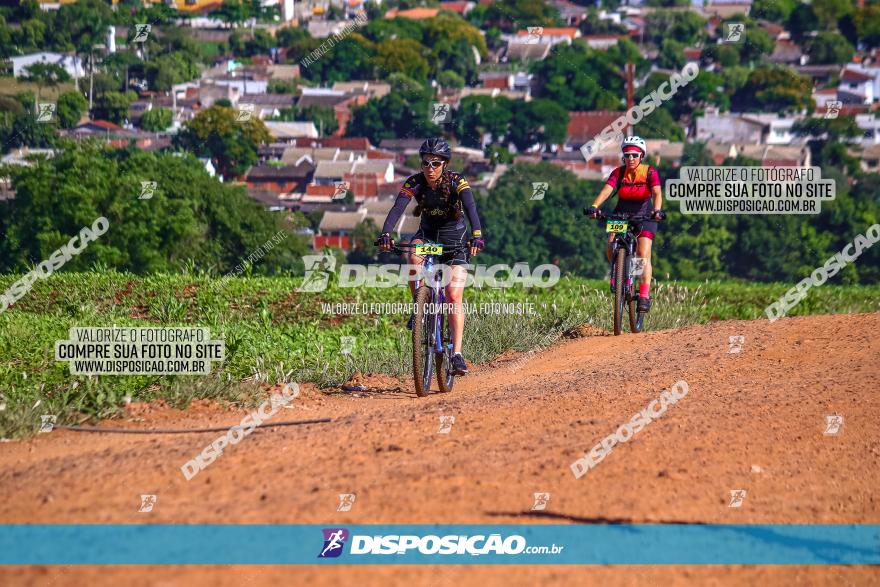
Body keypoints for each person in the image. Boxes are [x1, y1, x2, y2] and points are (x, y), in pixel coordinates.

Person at [376, 138, 484, 376]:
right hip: (428, 237)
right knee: (413, 254)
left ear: (444, 164)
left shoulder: (458, 181)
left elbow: (471, 208)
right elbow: (397, 208)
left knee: (453, 295)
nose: (430, 168)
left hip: (455, 242)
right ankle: (420, 307)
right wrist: (385, 233)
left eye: (435, 163)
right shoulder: (414, 182)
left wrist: (477, 235)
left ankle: (456, 354)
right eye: (425, 163)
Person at [585, 136, 666, 313]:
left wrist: (657, 211)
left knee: (642, 253)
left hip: (644, 216)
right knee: (611, 245)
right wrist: (594, 206)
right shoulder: (618, 172)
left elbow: (657, 193)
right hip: (621, 214)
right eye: (627, 155)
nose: (630, 159)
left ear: (641, 156)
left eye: (634, 155)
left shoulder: (650, 172)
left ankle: (643, 295)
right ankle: (620, 271)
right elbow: (607, 190)